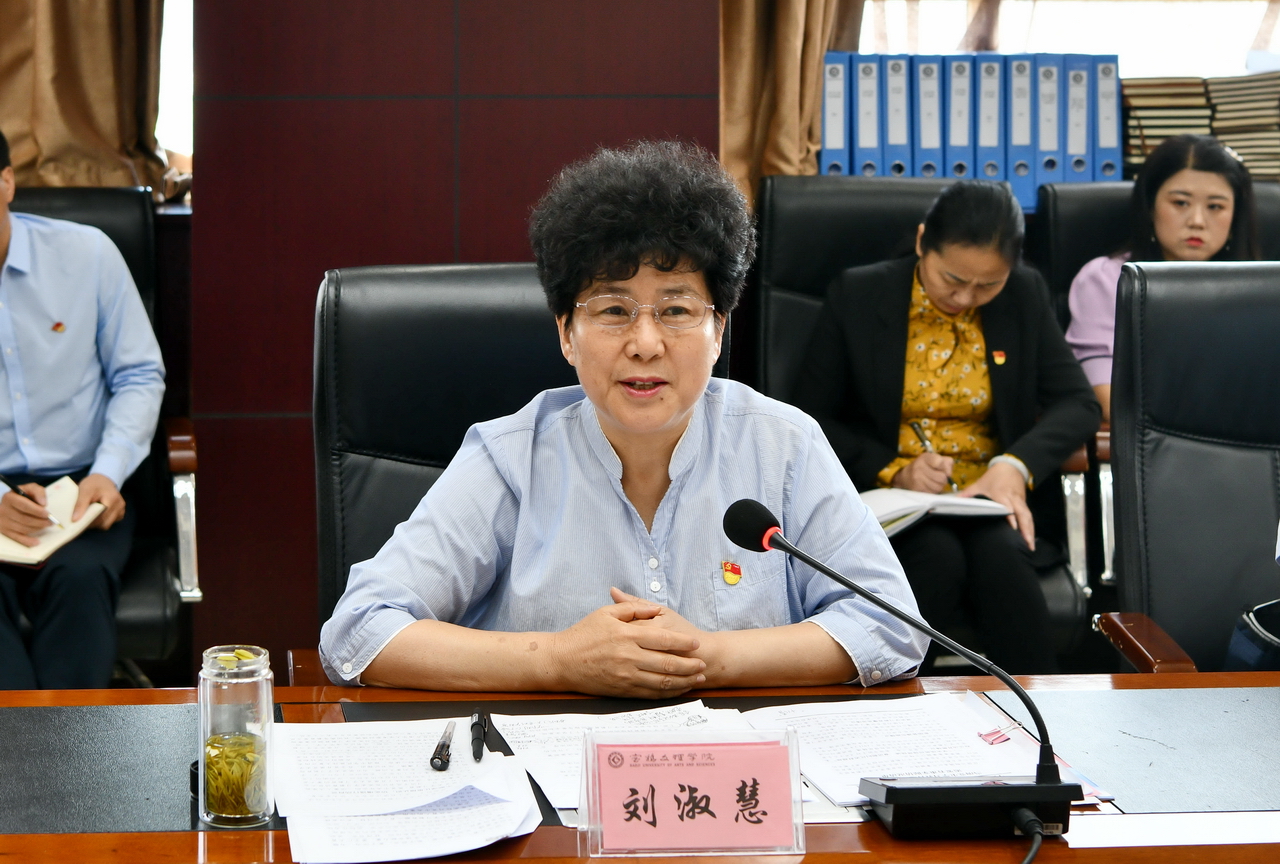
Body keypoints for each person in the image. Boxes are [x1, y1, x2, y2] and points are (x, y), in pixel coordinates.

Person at [320, 141, 926, 697]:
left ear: (718, 331)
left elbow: (893, 626)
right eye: (613, 310)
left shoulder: (783, 445)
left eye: (676, 310)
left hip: (740, 768)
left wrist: (708, 657)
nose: (645, 344)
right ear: (567, 333)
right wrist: (559, 660)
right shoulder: (510, 458)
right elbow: (359, 630)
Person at [793, 181, 1100, 674]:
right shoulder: (859, 293)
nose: (966, 297)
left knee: (1001, 560)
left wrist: (1015, 466)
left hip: (988, 499)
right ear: (922, 243)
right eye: (952, 279)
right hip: (897, 502)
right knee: (935, 557)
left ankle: (1037, 712)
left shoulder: (1023, 293)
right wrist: (895, 469)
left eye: (988, 285)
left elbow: (1078, 403)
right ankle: (895, 706)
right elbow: (808, 418)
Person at [0, 130, 165, 689]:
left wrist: (107, 472)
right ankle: (20, 744)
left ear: (7, 182)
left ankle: (70, 740)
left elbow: (138, 374)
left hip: (83, 489)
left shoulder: (86, 254)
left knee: (81, 578)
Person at [1065, 135, 1258, 422]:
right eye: (1180, 202)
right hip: (1155, 439)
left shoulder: (1261, 289)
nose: (1197, 221)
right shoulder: (1106, 280)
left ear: (1235, 218)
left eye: (1215, 206)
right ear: (1150, 206)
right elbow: (1109, 398)